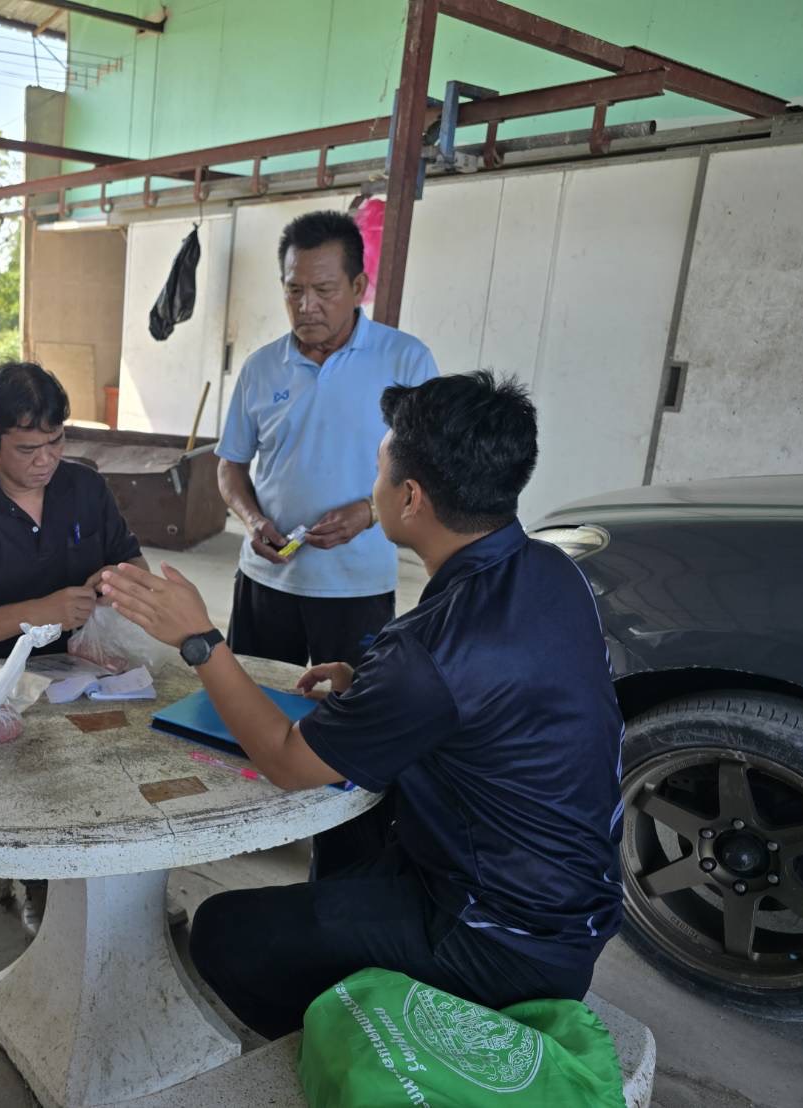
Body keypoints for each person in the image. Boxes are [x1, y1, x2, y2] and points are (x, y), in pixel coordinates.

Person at [101, 372, 625, 1039]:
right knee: (347, 822)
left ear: (410, 497)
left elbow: (288, 762)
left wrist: (200, 640)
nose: (372, 486)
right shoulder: (551, 571)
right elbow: (494, 696)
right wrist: (368, 683)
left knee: (225, 931)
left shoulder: (429, 652)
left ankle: (364, 1039)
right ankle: (351, 949)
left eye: (378, 471)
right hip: (570, 907)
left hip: (496, 940)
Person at [216, 209, 438, 672]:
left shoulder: (405, 360)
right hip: (267, 578)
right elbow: (230, 464)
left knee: (350, 702)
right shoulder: (261, 368)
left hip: (357, 585)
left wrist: (370, 512)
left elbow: (431, 467)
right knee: (254, 697)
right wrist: (252, 520)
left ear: (358, 287)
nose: (306, 305)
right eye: (294, 290)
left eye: (323, 290)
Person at [0, 360, 146, 660]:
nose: (45, 460)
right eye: (27, 449)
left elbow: (135, 564)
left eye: (56, 441)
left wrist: (118, 580)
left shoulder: (86, 487)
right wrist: (38, 613)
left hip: (82, 667)